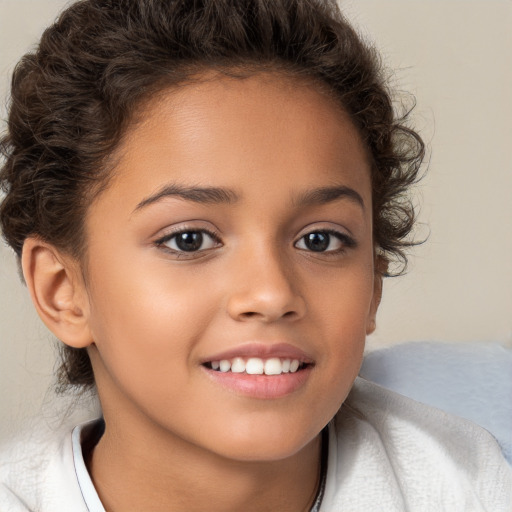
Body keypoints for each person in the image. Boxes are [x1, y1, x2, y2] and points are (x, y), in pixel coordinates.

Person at [0, 0, 510, 510]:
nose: (271, 294)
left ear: (373, 285)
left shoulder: (466, 486)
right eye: (189, 240)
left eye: (320, 239)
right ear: (63, 291)